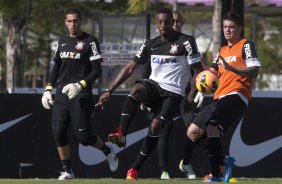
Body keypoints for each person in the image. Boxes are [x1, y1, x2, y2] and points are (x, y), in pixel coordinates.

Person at [95, 7, 203, 181]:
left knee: (155, 127)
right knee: (136, 89)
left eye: (167, 22)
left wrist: (191, 96)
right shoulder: (150, 44)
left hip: (174, 93)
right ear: (156, 23)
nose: (164, 25)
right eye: (160, 22)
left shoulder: (186, 42)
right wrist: (109, 90)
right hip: (154, 86)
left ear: (172, 23)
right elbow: (130, 67)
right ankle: (121, 134)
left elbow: (198, 71)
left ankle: (134, 169)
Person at [41, 8, 118, 180]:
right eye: (69, 21)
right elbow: (56, 67)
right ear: (65, 22)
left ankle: (108, 151)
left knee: (83, 137)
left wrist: (80, 84)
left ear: (80, 21)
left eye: (75, 21)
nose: (72, 24)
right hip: (62, 93)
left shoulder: (90, 41)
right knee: (58, 132)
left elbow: (97, 71)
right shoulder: (62, 41)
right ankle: (67, 170)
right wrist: (48, 89)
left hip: (81, 93)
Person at [197, 11, 261, 182]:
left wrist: (233, 69)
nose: (227, 30)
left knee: (212, 127)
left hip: (237, 94)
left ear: (240, 28)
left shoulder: (246, 44)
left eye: (231, 27)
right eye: (225, 27)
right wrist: (198, 63)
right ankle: (224, 162)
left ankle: (216, 175)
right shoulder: (222, 50)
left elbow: (254, 71)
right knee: (196, 133)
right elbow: (211, 73)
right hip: (220, 97)